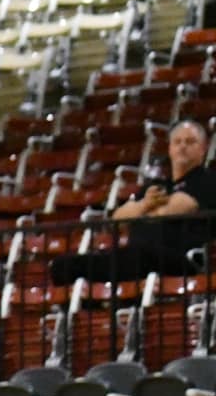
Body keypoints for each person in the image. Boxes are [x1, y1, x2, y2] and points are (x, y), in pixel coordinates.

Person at [50, 119, 216, 285]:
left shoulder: (207, 180)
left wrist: (142, 210)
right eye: (177, 142)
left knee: (139, 255)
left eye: (190, 142)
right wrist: (145, 205)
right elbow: (118, 219)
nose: (182, 147)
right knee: (62, 265)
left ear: (203, 149)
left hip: (179, 260)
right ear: (170, 149)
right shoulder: (155, 186)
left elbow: (177, 208)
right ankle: (86, 309)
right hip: (134, 258)